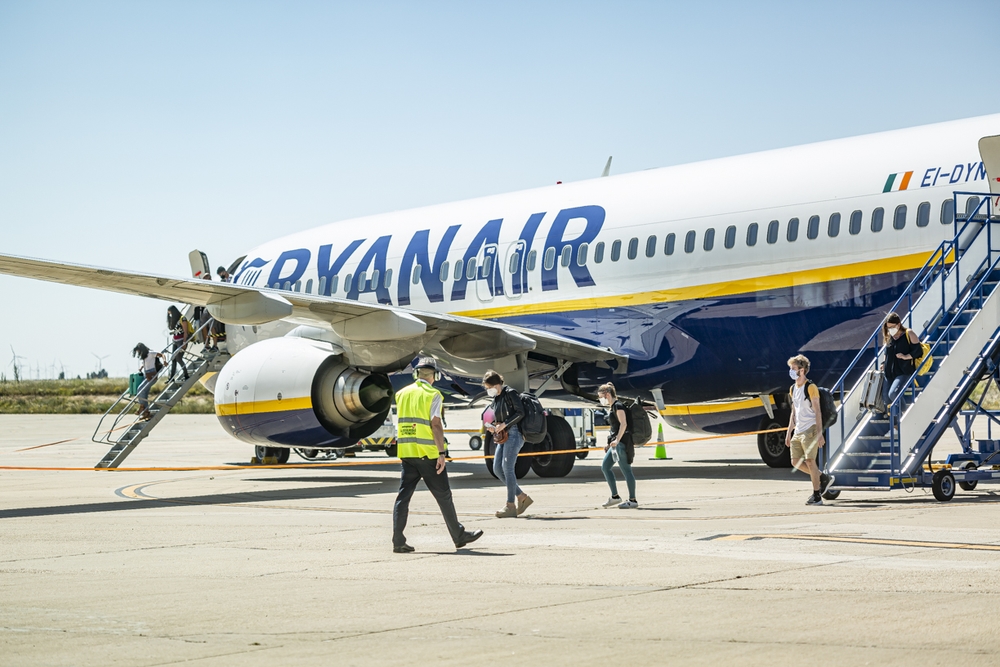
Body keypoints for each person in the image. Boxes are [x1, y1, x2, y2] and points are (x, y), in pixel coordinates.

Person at [392, 357, 483, 553]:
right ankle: (458, 536)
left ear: (417, 374)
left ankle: (398, 540)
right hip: (428, 454)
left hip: (407, 453)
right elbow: (435, 425)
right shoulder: (434, 395)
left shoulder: (401, 394)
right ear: (435, 375)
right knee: (444, 496)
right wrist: (441, 453)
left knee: (403, 497)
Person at [483, 370, 533, 518]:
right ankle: (522, 497)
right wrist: (493, 426)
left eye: (488, 387)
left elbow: (520, 413)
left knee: (507, 468)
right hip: (504, 435)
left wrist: (504, 424)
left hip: (515, 433)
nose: (487, 390)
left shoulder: (510, 393)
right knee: (497, 468)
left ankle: (510, 505)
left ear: (496, 384)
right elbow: (499, 416)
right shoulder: (496, 398)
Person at [786, 354, 835, 506]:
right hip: (798, 430)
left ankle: (817, 495)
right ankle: (823, 477)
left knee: (810, 460)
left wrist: (819, 433)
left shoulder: (811, 387)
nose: (791, 371)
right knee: (795, 462)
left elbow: (818, 411)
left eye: (793, 368)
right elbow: (794, 411)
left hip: (810, 429)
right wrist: (789, 432)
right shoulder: (793, 388)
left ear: (802, 370)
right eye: (790, 368)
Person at [597, 383, 638, 509]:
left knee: (626, 470)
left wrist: (617, 441)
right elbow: (615, 428)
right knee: (605, 467)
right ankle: (615, 497)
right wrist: (610, 444)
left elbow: (623, 424)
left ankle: (632, 500)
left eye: (601, 396)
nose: (600, 399)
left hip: (622, 444)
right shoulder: (613, 407)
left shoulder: (618, 406)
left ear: (607, 394)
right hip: (615, 444)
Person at [881, 312, 922, 414]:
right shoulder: (890, 336)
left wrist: (905, 357)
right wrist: (883, 363)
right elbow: (887, 352)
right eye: (888, 327)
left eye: (892, 327)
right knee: (886, 397)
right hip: (889, 372)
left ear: (898, 324)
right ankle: (896, 422)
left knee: (893, 394)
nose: (890, 329)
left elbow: (918, 351)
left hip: (903, 371)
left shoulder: (909, 334)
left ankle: (905, 413)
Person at [132, 343, 163, 420]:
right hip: (146, 375)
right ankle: (146, 412)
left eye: (139, 352)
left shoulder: (151, 353)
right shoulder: (144, 356)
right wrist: (141, 367)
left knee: (140, 389)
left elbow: (162, 355)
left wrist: (165, 361)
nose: (139, 354)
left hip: (152, 375)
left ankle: (142, 408)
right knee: (144, 393)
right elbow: (146, 363)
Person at [166, 306, 190, 381]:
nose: (170, 315)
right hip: (175, 341)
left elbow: (185, 331)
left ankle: (186, 374)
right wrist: (169, 318)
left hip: (181, 340)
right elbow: (172, 328)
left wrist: (184, 342)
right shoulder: (174, 320)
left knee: (179, 358)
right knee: (173, 358)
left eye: (171, 314)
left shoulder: (182, 318)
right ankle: (171, 377)